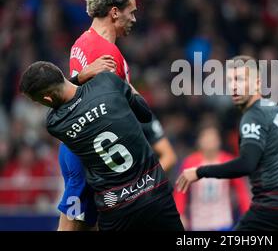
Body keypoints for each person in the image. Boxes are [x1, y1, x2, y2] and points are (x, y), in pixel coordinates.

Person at [59, 0, 176, 230]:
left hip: (78, 150)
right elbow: (114, 114)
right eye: (131, 12)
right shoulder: (108, 55)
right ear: (114, 12)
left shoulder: (81, 41)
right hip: (94, 157)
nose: (134, 19)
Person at [19, 61, 184, 231]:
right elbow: (144, 114)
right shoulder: (107, 81)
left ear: (47, 98)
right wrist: (123, 84)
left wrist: (79, 77)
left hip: (116, 209)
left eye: (38, 101)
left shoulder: (55, 124)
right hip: (154, 192)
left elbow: (66, 99)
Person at [176, 55, 278, 231]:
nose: (233, 86)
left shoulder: (252, 116)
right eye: (230, 80)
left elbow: (246, 164)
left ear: (257, 83)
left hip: (271, 210)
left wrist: (200, 172)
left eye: (239, 79)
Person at [174, 125, 251, 231]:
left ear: (219, 141)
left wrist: (247, 215)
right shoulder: (190, 162)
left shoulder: (227, 161)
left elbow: (241, 191)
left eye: (213, 139)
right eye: (206, 138)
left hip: (222, 221)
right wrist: (180, 213)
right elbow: (181, 191)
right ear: (199, 141)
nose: (210, 142)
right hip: (199, 223)